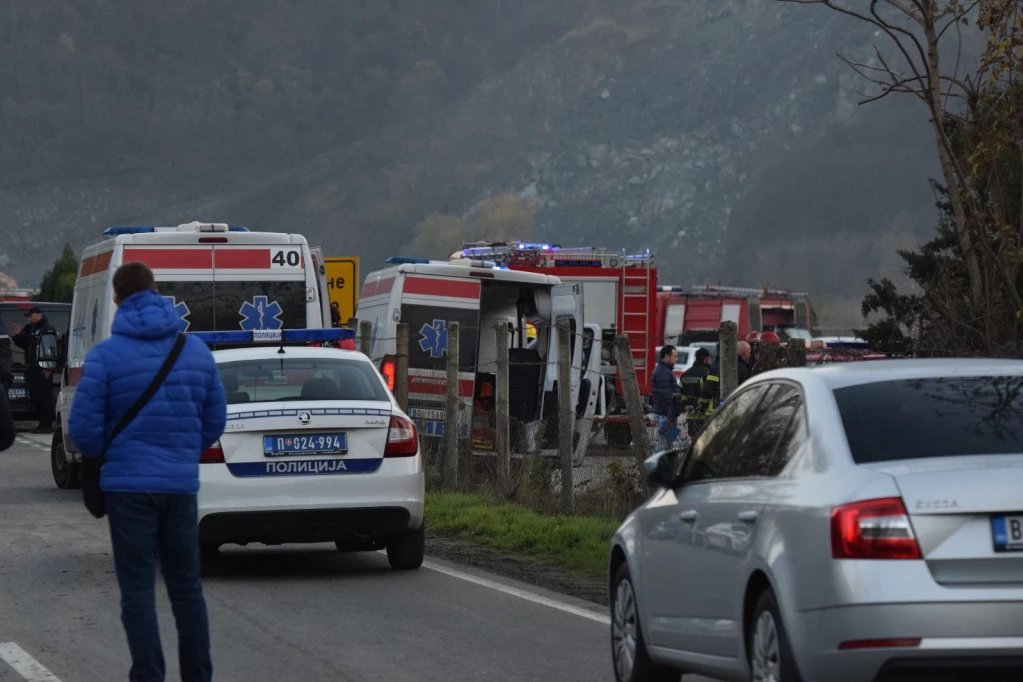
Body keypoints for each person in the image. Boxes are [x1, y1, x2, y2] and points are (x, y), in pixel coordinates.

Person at [68, 262, 227, 682]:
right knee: (187, 589)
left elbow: (82, 429)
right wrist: (183, 452)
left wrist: (108, 454)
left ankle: (148, 675)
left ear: (117, 300)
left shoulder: (105, 356)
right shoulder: (194, 351)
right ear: (157, 292)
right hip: (179, 486)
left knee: (138, 590)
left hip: (127, 490)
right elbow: (216, 419)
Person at [12, 306, 57, 434]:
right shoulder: (33, 330)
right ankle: (41, 424)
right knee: (35, 398)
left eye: (30, 316)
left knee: (44, 399)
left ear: (37, 316)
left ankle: (46, 425)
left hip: (43, 370)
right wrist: (19, 335)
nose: (29, 319)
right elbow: (27, 345)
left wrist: (49, 367)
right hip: (33, 369)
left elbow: (51, 349)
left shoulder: (47, 329)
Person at [651, 345, 684, 452]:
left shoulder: (665, 371)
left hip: (667, 414)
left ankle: (665, 467)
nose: (676, 359)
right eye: (674, 356)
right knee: (663, 446)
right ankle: (658, 467)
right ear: (666, 356)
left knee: (667, 446)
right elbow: (665, 397)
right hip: (666, 415)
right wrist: (670, 416)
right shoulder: (663, 372)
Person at [678, 347, 712, 437]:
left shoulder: (685, 374)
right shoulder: (707, 373)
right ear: (706, 359)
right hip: (703, 414)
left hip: (690, 415)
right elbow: (708, 392)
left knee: (694, 443)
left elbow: (681, 393)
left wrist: (686, 405)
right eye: (709, 359)